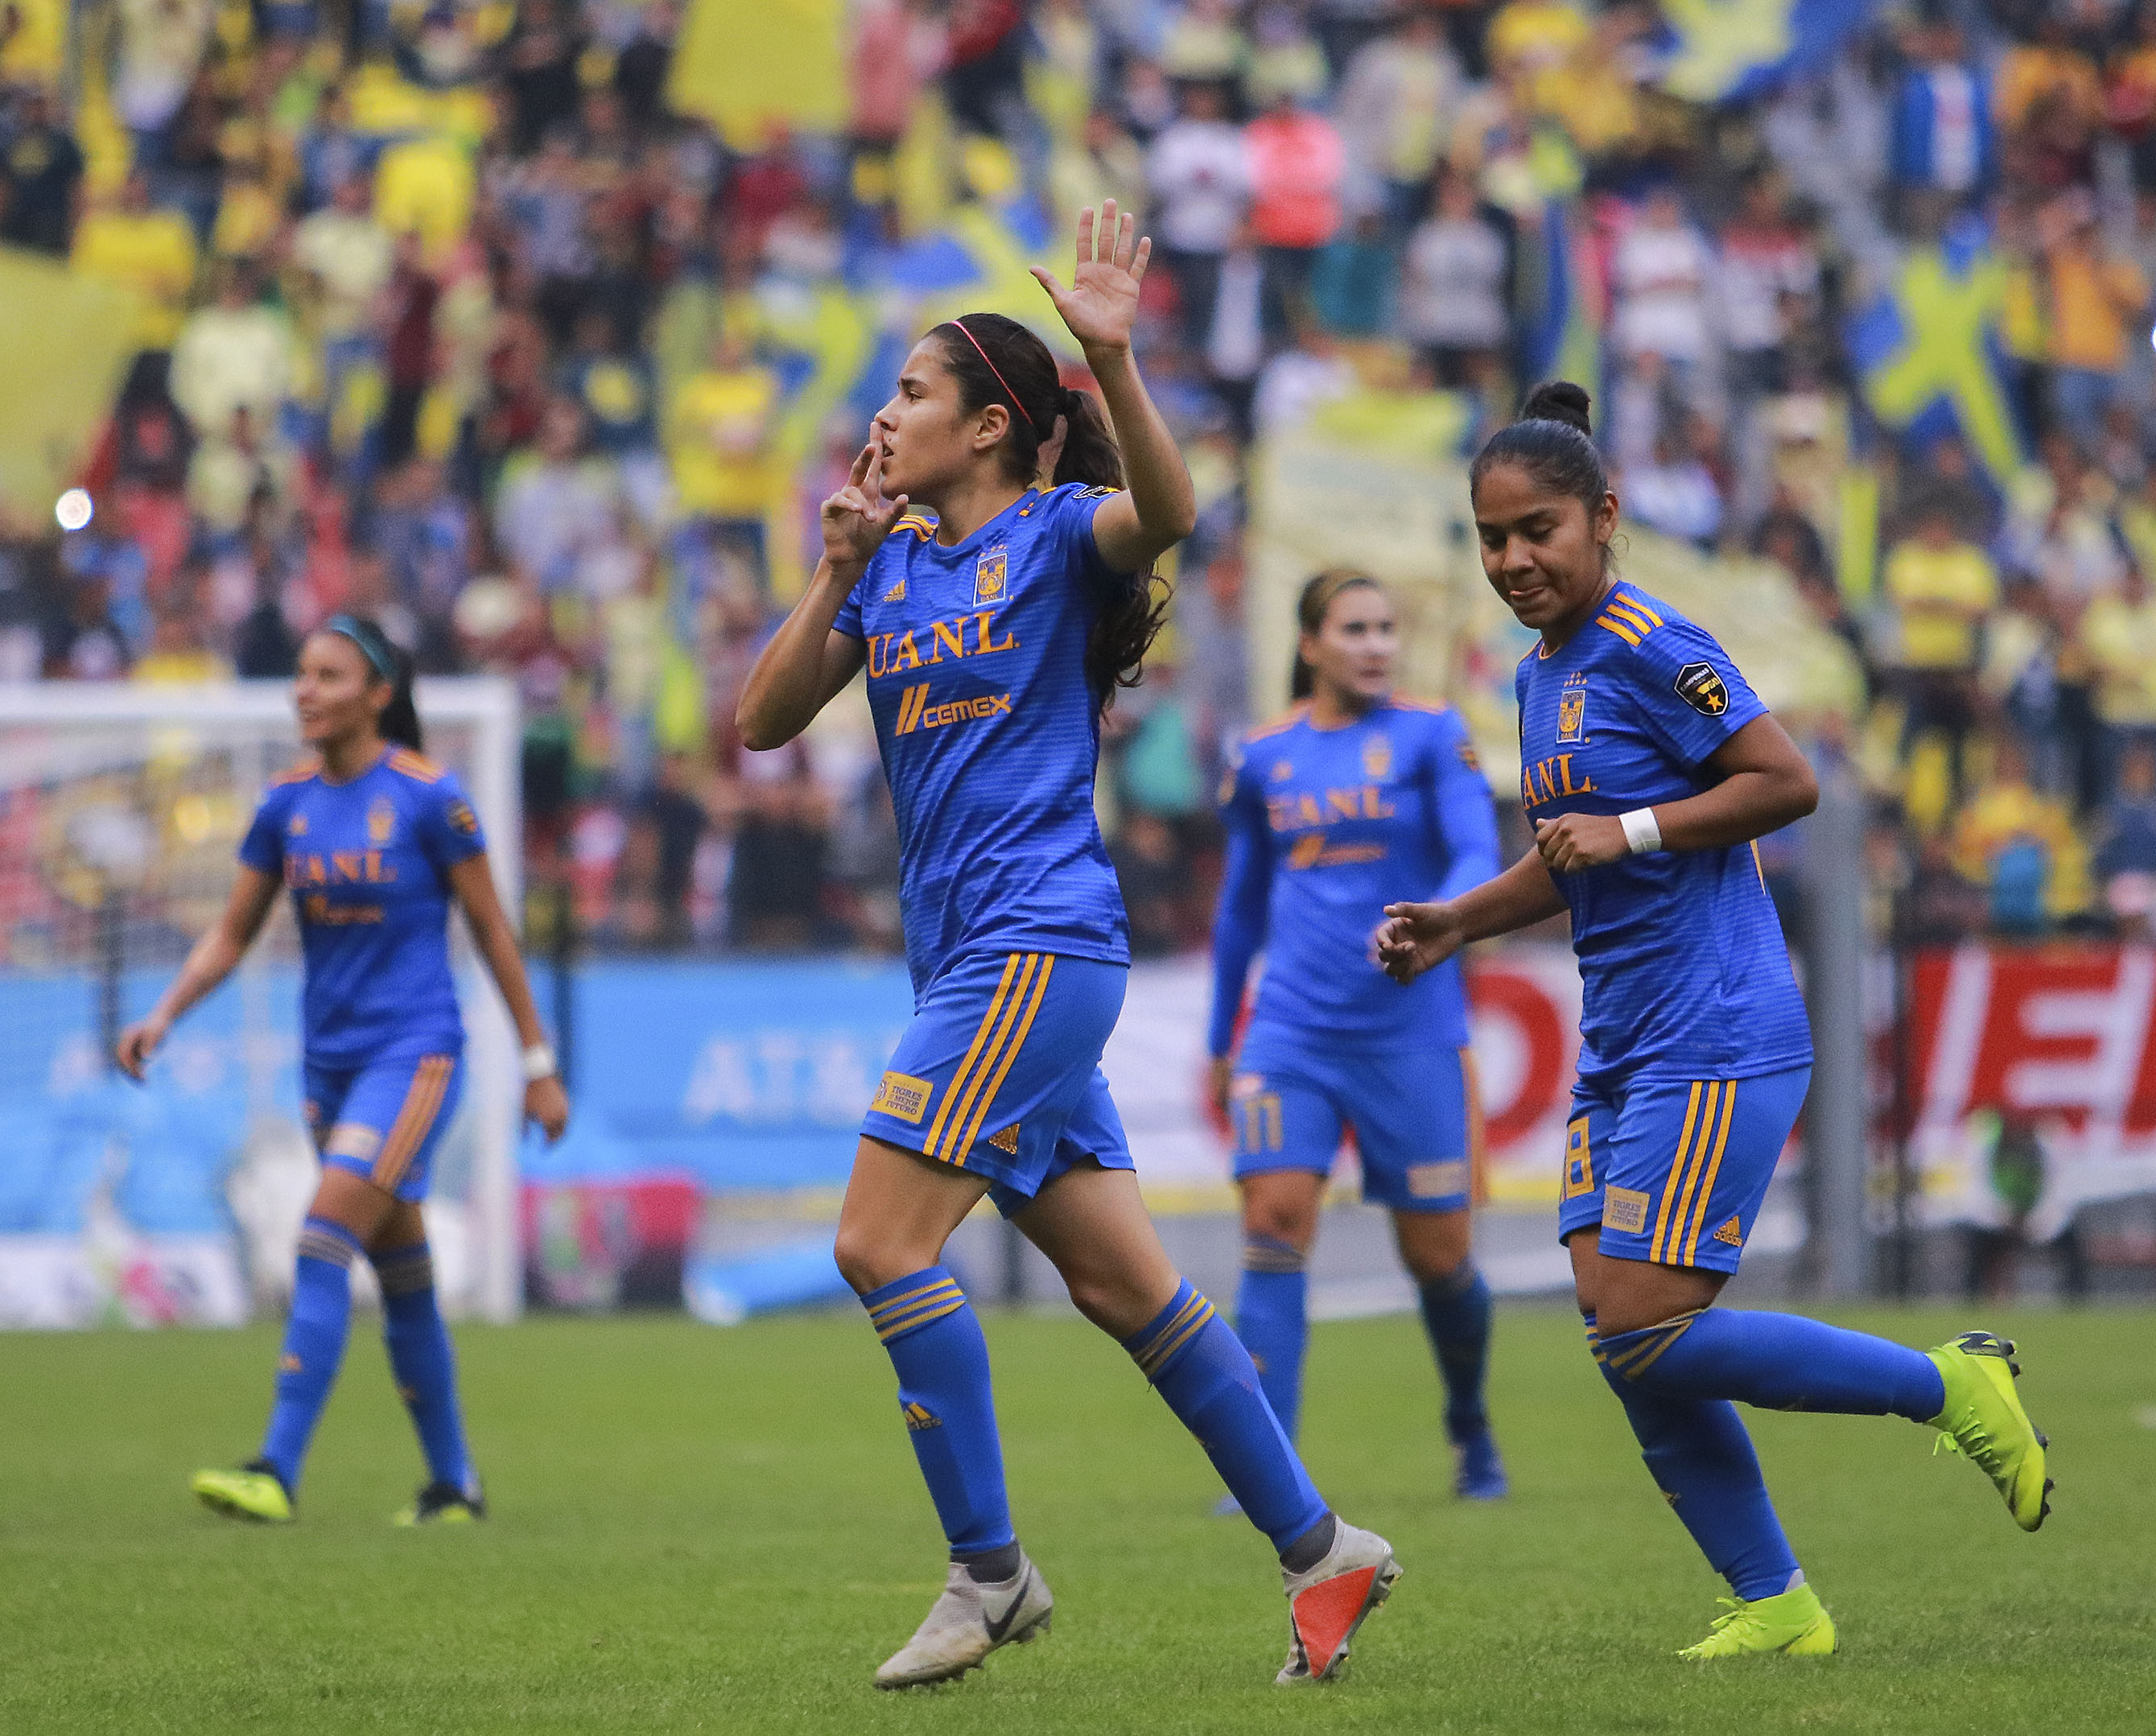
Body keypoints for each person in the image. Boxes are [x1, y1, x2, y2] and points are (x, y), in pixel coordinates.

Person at [736, 200, 1400, 1693]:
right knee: (1129, 1293)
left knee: (874, 1241)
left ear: (991, 426)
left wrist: (1115, 356)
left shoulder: (1054, 537)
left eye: (909, 393)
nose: (883, 415)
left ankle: (989, 1572)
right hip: (973, 963)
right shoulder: (891, 567)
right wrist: (835, 568)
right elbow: (762, 719)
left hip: (1039, 947)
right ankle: (1321, 1548)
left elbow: (1163, 514)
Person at [1374, 382, 2052, 1659]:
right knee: (1623, 1337)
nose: (1515, 559)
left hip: (1716, 1027)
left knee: (1646, 1323)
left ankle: (1953, 1385)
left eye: (1538, 531)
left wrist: (1629, 826)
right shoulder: (1540, 675)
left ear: (1604, 519)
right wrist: (1461, 919)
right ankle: (1775, 1602)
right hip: (1623, 1043)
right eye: (1493, 537)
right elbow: (1569, 853)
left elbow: (1784, 781)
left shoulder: (1647, 639)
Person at [117, 615, 569, 1527]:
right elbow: (233, 933)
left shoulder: (428, 797)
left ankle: (276, 1469)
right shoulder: (284, 806)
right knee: (401, 1275)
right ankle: (454, 1486)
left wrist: (536, 1060)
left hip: (415, 1056)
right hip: (328, 1066)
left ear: (377, 694)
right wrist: (164, 1013)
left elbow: (491, 931)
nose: (304, 691)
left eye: (327, 675)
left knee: (322, 1235)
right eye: (300, 674)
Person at [1209, 570, 1507, 1507]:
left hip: (1411, 1033)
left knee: (1438, 1260)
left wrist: (1446, 913)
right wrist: (1225, 1036)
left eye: (1385, 628)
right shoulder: (1263, 757)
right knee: (1272, 1224)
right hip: (1291, 1031)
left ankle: (1468, 1420)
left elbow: (1475, 849)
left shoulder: (1431, 736)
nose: (1376, 644)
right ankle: (1270, 1470)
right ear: (1310, 645)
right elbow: (1239, 908)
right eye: (1355, 629)